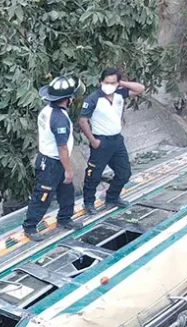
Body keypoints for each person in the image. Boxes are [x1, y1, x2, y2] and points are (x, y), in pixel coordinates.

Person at [22, 75, 83, 242]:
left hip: (48, 158)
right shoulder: (60, 119)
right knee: (43, 195)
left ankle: (64, 218)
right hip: (52, 162)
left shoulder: (46, 111)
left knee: (66, 192)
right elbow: (62, 147)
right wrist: (68, 170)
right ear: (68, 99)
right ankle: (30, 226)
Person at [79, 68, 146, 214]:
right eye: (106, 82)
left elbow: (140, 88)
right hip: (101, 141)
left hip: (117, 141)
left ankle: (112, 197)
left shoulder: (120, 94)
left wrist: (121, 83)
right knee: (93, 175)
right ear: (100, 82)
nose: (109, 85)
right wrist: (92, 140)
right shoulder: (93, 98)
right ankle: (89, 203)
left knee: (124, 173)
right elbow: (83, 121)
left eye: (112, 82)